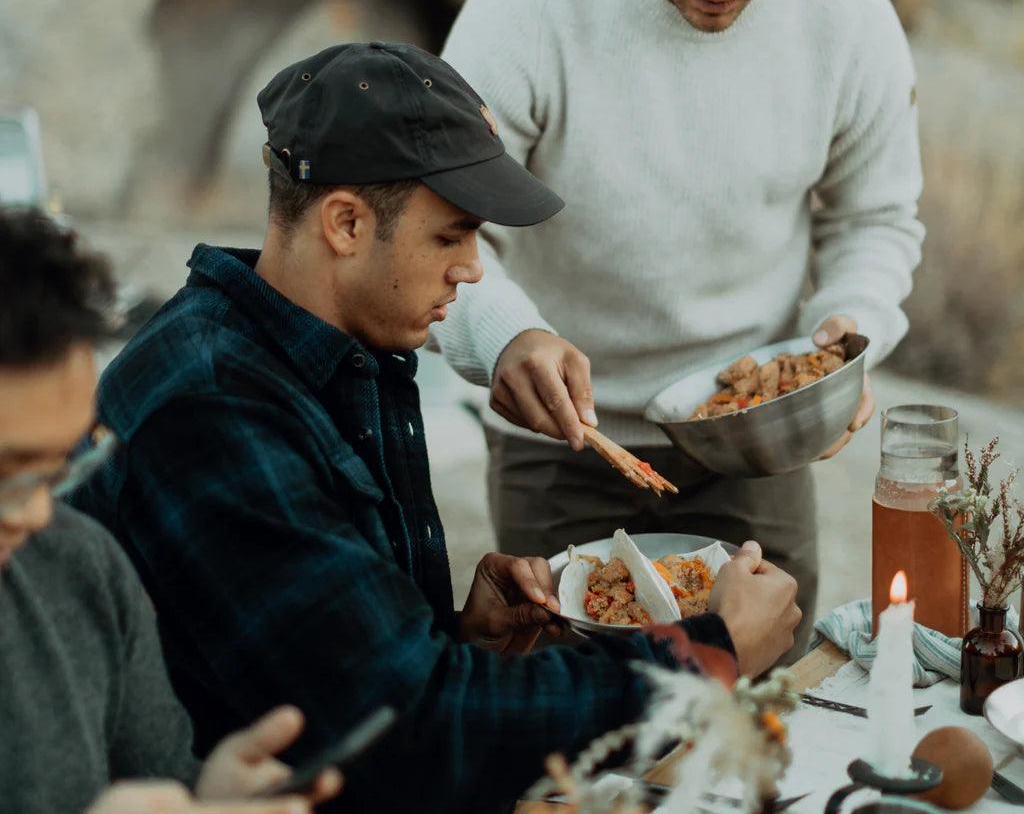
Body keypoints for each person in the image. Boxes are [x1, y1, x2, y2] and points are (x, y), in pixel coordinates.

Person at [72, 43, 801, 814]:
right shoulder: (213, 407)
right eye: (451, 235)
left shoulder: (337, 342)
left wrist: (455, 638)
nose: (474, 268)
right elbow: (413, 736)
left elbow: (336, 671)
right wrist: (706, 653)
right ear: (346, 223)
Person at [433, 0, 925, 647]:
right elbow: (438, 224)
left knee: (766, 710)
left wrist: (850, 333)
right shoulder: (525, 7)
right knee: (560, 718)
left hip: (755, 449)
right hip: (561, 443)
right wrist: (504, 334)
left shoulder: (849, 21)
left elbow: (876, 220)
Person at [0, 207, 341, 814]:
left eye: (56, 472)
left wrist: (205, 795)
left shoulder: (78, 566)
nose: (32, 515)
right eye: (7, 475)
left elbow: (161, 776)